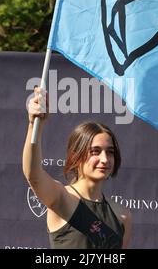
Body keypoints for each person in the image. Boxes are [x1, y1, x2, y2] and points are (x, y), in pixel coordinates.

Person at [23, 87, 132, 249]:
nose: (104, 159)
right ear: (76, 155)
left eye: (110, 152)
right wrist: (34, 125)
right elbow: (33, 174)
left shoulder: (122, 216)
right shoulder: (62, 198)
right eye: (95, 151)